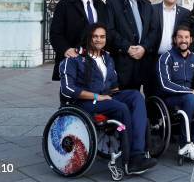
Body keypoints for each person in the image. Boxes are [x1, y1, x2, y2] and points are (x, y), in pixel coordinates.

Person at [59, 24, 157, 174]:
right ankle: (130, 160)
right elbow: (68, 89)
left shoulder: (107, 57)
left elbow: (113, 84)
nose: (99, 40)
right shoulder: (75, 58)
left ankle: (138, 152)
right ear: (89, 38)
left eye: (102, 36)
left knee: (136, 97)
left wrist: (114, 94)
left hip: (106, 97)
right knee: (121, 108)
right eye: (95, 36)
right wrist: (98, 96)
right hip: (84, 102)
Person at [157, 26, 194, 161]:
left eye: (186, 37)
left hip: (188, 96)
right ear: (175, 39)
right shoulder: (166, 57)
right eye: (180, 37)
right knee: (191, 98)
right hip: (170, 98)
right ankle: (184, 145)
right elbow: (165, 85)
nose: (183, 40)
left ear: (191, 40)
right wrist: (193, 91)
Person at [50, 0, 108, 81]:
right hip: (73, 58)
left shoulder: (101, 5)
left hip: (97, 59)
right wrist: (65, 49)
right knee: (73, 95)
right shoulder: (64, 5)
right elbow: (55, 33)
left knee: (95, 93)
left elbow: (106, 31)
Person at [106, 0, 154, 90]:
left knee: (138, 97)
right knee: (122, 98)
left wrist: (144, 47)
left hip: (143, 60)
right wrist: (127, 47)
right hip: (123, 60)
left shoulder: (146, 4)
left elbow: (153, 31)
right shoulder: (113, 3)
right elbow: (110, 30)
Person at [144, 0, 189, 96]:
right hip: (154, 57)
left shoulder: (185, 13)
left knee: (171, 90)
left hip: (175, 58)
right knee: (152, 90)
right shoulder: (152, 10)